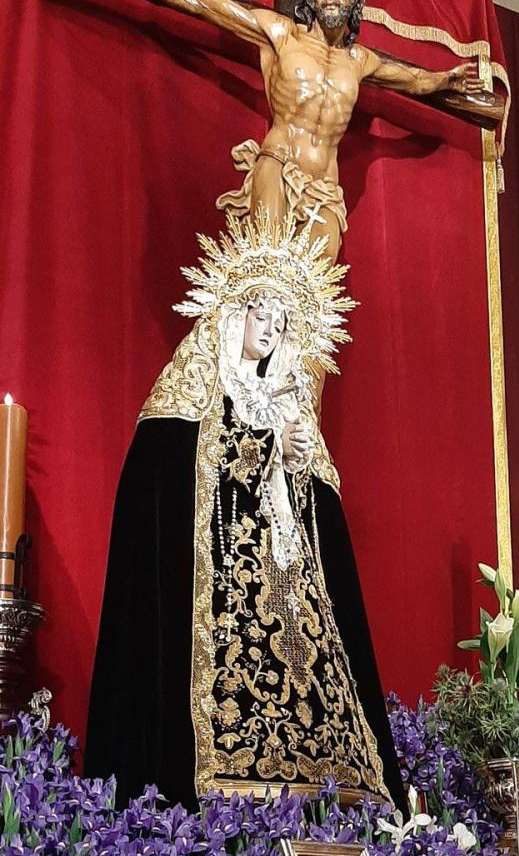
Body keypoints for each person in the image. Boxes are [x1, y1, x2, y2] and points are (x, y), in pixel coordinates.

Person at [85, 216, 404, 810]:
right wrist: (263, 447)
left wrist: (298, 462)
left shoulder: (287, 401)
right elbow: (170, 477)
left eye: (282, 323)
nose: (271, 330)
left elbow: (321, 527)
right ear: (235, 315)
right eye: (263, 315)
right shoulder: (192, 393)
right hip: (220, 593)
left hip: (290, 592)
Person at [79, 0, 482, 267]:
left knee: (316, 297)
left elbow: (414, 80)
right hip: (278, 164)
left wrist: (445, 79)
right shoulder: (281, 34)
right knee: (268, 273)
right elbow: (200, 2)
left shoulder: (360, 62)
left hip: (325, 187)